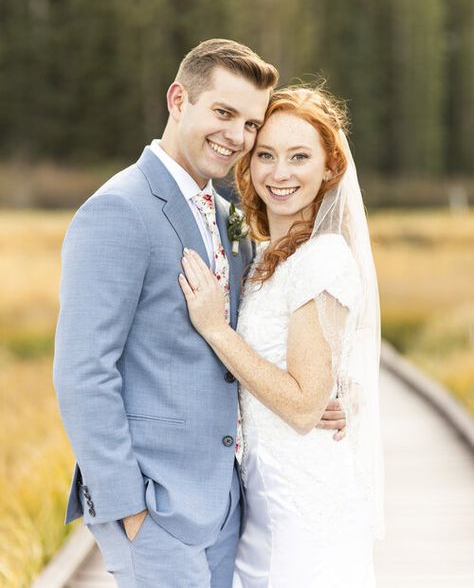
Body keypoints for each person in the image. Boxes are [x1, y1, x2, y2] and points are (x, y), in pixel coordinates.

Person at [53, 41, 347, 588]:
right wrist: (129, 510)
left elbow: (241, 344)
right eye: (224, 113)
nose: (236, 136)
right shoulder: (119, 210)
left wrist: (312, 397)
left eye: (251, 123)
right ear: (178, 99)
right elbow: (82, 372)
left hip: (226, 505)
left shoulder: (231, 219)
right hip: (154, 506)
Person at [179, 86, 384, 587]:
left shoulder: (322, 259)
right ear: (248, 164)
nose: (280, 172)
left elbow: (300, 407)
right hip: (265, 494)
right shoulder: (269, 256)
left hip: (303, 501)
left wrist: (214, 329)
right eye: (266, 155)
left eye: (300, 157)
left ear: (329, 168)